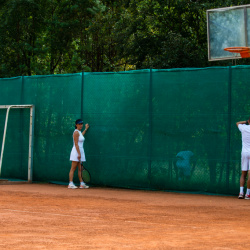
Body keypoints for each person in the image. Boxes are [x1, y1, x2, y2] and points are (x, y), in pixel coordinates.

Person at [68, 119, 90, 189]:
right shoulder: (76, 133)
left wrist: (86, 129)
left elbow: (81, 136)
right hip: (76, 152)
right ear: (76, 125)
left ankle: (81, 183)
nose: (81, 125)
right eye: (79, 124)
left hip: (81, 151)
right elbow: (76, 144)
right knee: (73, 168)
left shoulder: (79, 132)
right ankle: (70, 183)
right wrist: (79, 154)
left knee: (80, 168)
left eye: (82, 124)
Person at [236, 118, 250, 199]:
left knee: (243, 174)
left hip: (244, 153)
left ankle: (241, 193)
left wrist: (246, 122)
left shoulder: (244, 127)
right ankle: (247, 194)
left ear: (249, 121)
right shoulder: (244, 128)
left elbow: (237, 122)